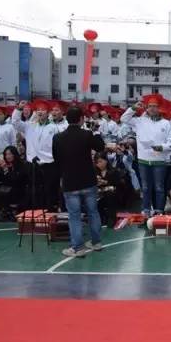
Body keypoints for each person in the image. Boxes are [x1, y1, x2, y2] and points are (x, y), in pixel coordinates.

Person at [52, 106, 105, 257]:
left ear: (67, 119)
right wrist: (96, 131)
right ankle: (96, 242)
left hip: (70, 181)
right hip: (88, 180)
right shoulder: (87, 134)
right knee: (93, 212)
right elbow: (100, 147)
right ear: (81, 119)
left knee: (74, 216)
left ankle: (77, 248)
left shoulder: (58, 137)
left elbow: (56, 160)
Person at [120, 94, 171, 217]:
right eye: (150, 106)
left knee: (159, 188)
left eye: (155, 106)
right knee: (145, 187)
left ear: (159, 108)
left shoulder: (166, 123)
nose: (152, 108)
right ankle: (146, 211)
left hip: (159, 161)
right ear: (147, 108)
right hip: (143, 160)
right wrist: (133, 108)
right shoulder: (140, 121)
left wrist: (161, 147)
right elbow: (123, 119)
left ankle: (159, 211)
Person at [12, 100, 66, 212]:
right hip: (33, 164)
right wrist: (19, 109)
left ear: (48, 112)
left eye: (43, 110)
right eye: (38, 110)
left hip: (49, 163)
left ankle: (50, 211)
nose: (40, 112)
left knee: (49, 190)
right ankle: (36, 212)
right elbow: (15, 122)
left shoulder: (54, 128)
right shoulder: (30, 126)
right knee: (34, 189)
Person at [0, 146, 29, 220]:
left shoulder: (21, 165)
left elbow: (14, 180)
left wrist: (5, 169)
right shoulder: (6, 164)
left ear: (14, 154)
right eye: (6, 154)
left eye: (10, 154)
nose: (7, 156)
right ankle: (4, 210)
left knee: (8, 191)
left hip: (19, 188)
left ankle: (10, 210)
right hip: (7, 188)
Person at [94, 152, 123, 228]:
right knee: (96, 199)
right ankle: (101, 219)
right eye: (97, 162)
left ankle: (112, 219)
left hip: (112, 194)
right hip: (99, 194)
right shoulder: (94, 172)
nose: (99, 164)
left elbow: (118, 185)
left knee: (110, 195)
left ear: (106, 160)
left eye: (100, 161)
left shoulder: (113, 171)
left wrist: (105, 182)